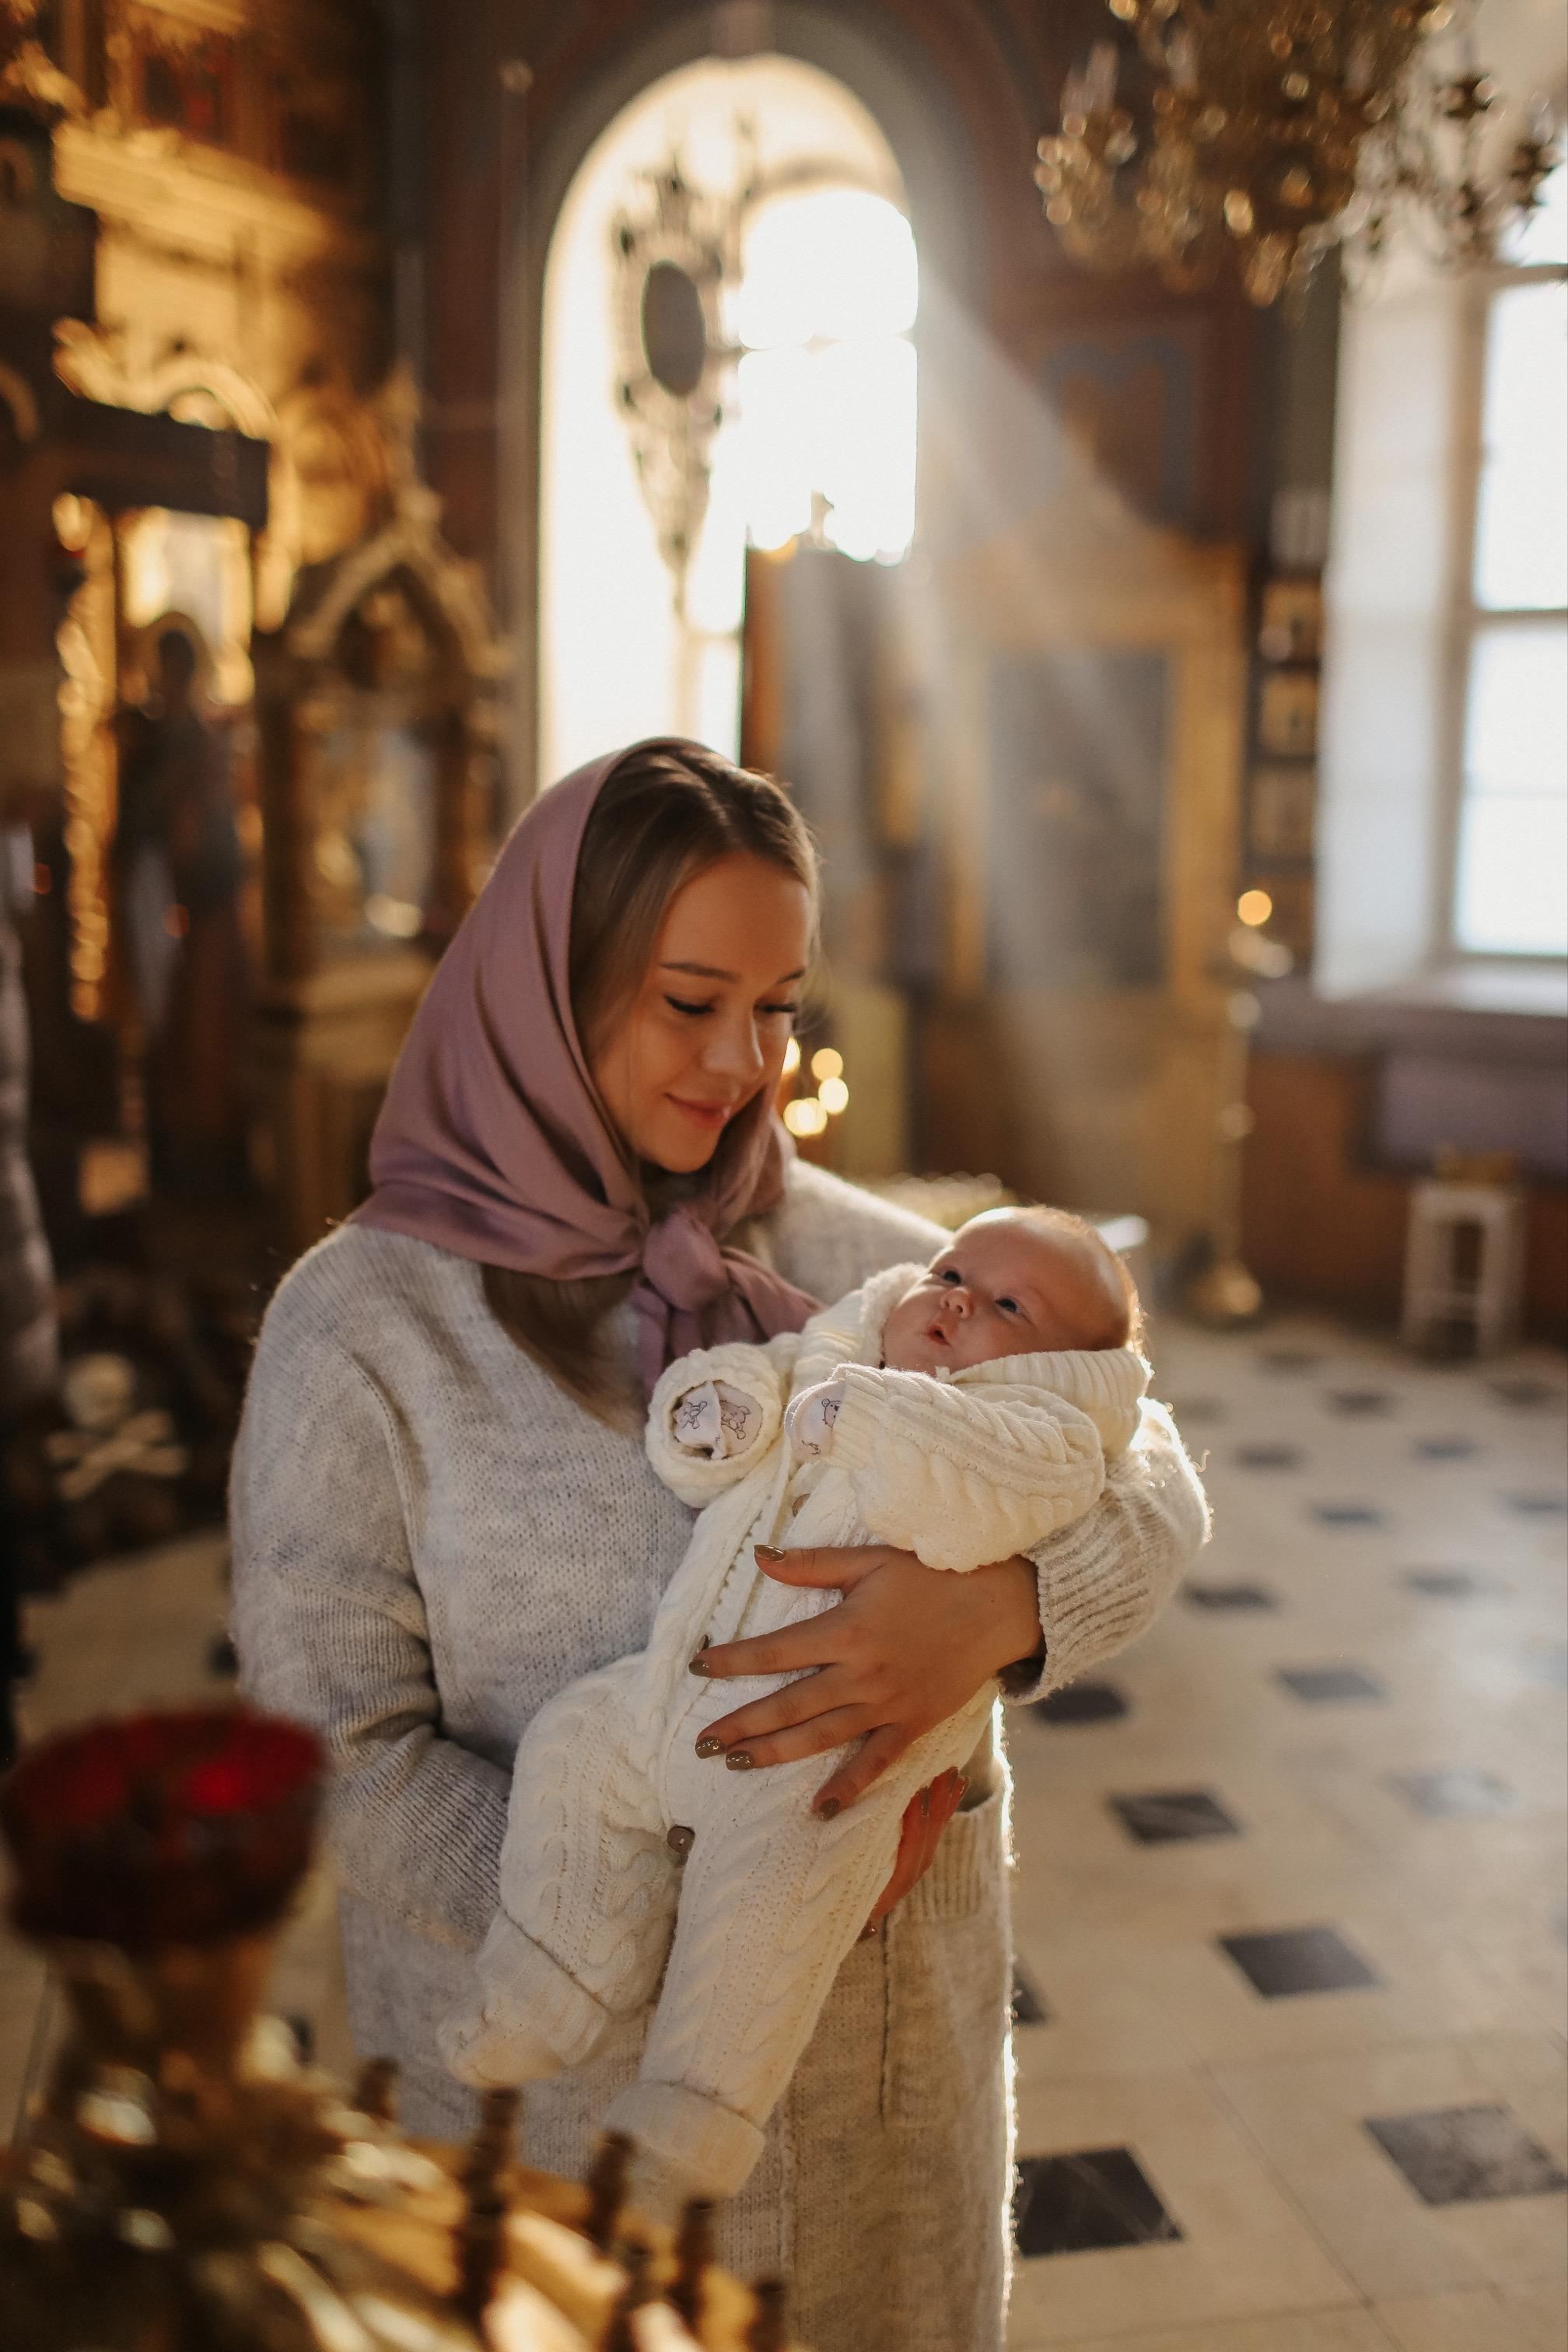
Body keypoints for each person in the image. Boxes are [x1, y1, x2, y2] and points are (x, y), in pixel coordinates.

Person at [230, 739, 1209, 2352]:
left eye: (777, 1004)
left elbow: (1140, 1447)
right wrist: (688, 1894)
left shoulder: (855, 1254)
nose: (745, 1062)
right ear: (550, 981)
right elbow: (339, 1753)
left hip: (887, 2106)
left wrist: (1008, 1612)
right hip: (558, 2152)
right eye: (691, 1002)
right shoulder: (365, 1327)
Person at [441, 1209, 1149, 2208]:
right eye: (951, 1271)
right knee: (574, 1744)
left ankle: (686, 2129)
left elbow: (985, 1497)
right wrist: (717, 1412)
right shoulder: (846, 1338)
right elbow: (764, 1395)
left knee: (766, 1922)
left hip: (818, 1771)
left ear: (1061, 1372)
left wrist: (875, 1425)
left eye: (1007, 1307)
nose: (954, 1297)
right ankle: (555, 1967)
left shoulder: (1040, 1437)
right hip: (669, 1692)